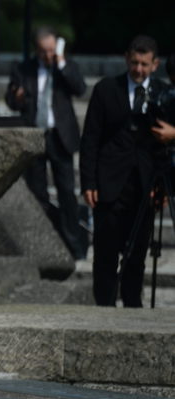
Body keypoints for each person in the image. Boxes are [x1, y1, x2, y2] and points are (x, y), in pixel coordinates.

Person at [80, 35, 166, 307]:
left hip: (145, 185)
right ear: (127, 59)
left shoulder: (164, 94)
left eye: (144, 64)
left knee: (137, 254)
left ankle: (132, 306)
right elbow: (91, 138)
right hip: (109, 183)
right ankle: (103, 306)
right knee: (105, 252)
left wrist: (165, 187)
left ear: (155, 64)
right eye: (134, 63)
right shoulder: (107, 89)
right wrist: (88, 181)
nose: (138, 69)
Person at [5, 27, 88, 259]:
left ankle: (74, 244)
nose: (48, 55)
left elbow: (79, 88)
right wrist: (16, 97)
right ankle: (44, 242)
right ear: (36, 50)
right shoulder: (24, 69)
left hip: (60, 136)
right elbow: (11, 100)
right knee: (37, 193)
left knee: (67, 192)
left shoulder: (65, 66)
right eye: (44, 51)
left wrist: (60, 63)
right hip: (35, 134)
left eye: (51, 50)